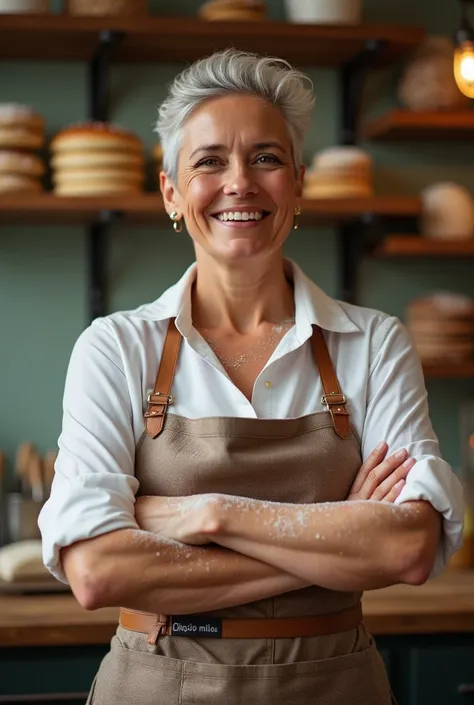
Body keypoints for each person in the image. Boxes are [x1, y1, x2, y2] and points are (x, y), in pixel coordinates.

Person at [38, 49, 464, 705]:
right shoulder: (115, 348)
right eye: (209, 161)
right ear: (172, 193)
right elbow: (95, 570)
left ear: (298, 183)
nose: (240, 182)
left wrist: (209, 513)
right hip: (155, 682)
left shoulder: (374, 343)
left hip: (337, 685)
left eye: (265, 158)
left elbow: (408, 546)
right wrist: (339, 530)